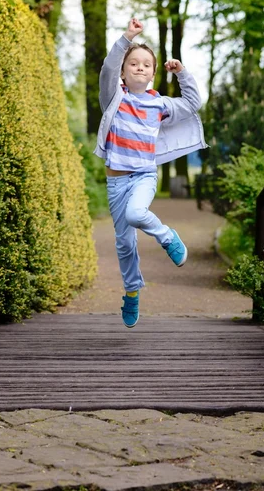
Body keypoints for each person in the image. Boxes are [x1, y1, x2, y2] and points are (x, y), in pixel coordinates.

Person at [94, 17, 207, 328]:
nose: (140, 68)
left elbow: (193, 102)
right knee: (124, 243)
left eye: (146, 64)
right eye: (133, 63)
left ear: (154, 73)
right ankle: (132, 293)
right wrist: (126, 37)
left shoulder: (160, 105)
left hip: (144, 176)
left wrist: (181, 72)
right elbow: (106, 70)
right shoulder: (114, 100)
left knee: (136, 213)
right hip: (116, 181)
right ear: (124, 71)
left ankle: (168, 237)